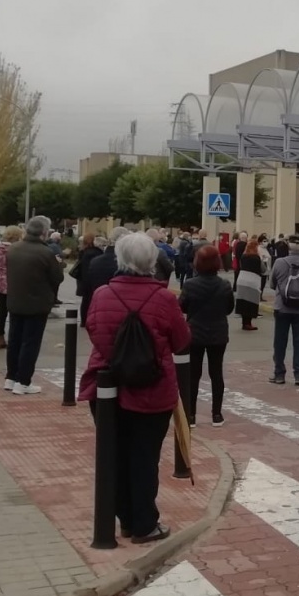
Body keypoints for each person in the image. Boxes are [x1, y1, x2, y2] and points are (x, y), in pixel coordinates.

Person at [79, 233, 190, 544]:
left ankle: (124, 518)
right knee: (144, 457)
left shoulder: (102, 294)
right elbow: (181, 341)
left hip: (107, 386)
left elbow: (94, 330)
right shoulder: (165, 298)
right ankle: (144, 523)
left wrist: (118, 357)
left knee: (113, 454)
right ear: (152, 262)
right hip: (152, 388)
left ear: (120, 259)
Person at [4, 216, 64, 395]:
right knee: (30, 343)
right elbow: (57, 278)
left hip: (15, 301)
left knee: (14, 340)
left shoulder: (13, 249)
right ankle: (24, 381)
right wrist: (58, 265)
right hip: (37, 304)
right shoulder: (45, 253)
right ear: (45, 233)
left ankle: (11, 377)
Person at [180, 245, 234, 428]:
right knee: (216, 373)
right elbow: (229, 309)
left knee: (193, 375)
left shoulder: (190, 285)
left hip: (195, 333)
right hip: (218, 333)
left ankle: (192, 415)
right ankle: (216, 414)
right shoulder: (225, 285)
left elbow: (182, 307)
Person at [269, 235, 299, 385]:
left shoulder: (279, 263)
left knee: (280, 341)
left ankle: (279, 374)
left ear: (288, 247)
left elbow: (272, 284)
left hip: (282, 307)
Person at [0, 226, 22, 349]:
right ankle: (14, 338)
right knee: (15, 312)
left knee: (2, 311)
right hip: (13, 281)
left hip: (0, 281)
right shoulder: (16, 249)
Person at [70, 233, 103, 327]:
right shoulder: (97, 252)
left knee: (85, 301)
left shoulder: (83, 252)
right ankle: (91, 320)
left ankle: (84, 321)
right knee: (93, 301)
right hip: (93, 280)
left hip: (83, 280)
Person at [236, 240, 263, 331]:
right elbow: (262, 269)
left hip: (242, 279)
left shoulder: (243, 256)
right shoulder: (256, 258)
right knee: (251, 302)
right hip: (252, 281)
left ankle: (244, 322)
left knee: (243, 301)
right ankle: (248, 323)